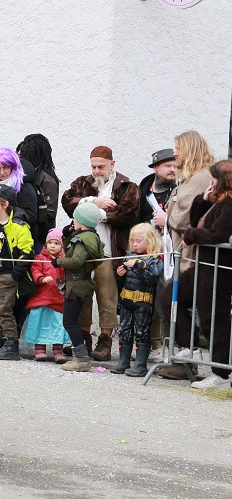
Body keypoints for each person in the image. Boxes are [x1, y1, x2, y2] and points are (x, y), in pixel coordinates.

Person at [61, 146, 140, 362]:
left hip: (109, 252)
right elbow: (67, 203)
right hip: (84, 252)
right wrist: (92, 202)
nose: (96, 170)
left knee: (107, 296)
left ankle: (105, 340)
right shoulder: (82, 183)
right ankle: (84, 337)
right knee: (82, 295)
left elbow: (127, 213)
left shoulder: (127, 186)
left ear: (112, 164)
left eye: (101, 166)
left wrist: (94, 214)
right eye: (94, 166)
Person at [160, 160, 232, 389]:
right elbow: (195, 221)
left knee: (214, 318)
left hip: (217, 269)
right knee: (169, 297)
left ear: (222, 180)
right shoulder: (216, 200)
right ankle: (190, 347)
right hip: (201, 266)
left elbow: (217, 234)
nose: (210, 182)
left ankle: (221, 374)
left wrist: (192, 236)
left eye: (213, 178)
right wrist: (203, 199)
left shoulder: (230, 203)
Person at [154, 131, 215, 378]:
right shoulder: (188, 178)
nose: (175, 153)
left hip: (194, 257)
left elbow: (193, 215)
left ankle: (190, 357)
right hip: (181, 255)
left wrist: (167, 218)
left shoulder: (202, 178)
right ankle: (186, 358)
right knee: (173, 302)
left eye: (178, 148)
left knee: (173, 301)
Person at [0, 184, 35, 361]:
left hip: (7, 274)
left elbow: (27, 252)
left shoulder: (19, 226)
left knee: (4, 309)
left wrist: (15, 275)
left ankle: (11, 343)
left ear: (4, 204)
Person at [54, 202, 106, 372]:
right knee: (72, 321)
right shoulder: (87, 236)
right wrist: (67, 234)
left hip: (77, 285)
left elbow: (76, 261)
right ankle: (80, 356)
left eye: (74, 219)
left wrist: (58, 261)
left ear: (81, 220)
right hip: (79, 284)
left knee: (69, 321)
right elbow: (72, 249)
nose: (72, 221)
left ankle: (82, 358)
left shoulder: (84, 239)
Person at [112, 224, 163, 376]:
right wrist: (119, 275)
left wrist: (140, 265)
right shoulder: (129, 255)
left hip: (143, 302)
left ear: (150, 241)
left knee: (142, 332)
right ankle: (123, 361)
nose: (134, 244)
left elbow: (152, 278)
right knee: (125, 331)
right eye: (133, 241)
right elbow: (123, 281)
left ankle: (140, 364)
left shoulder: (155, 259)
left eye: (139, 241)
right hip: (127, 301)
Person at [22, 228, 71, 363]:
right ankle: (39, 350)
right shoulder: (40, 258)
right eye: (50, 243)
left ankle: (57, 351)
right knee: (40, 323)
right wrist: (41, 278)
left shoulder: (64, 260)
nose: (52, 246)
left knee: (58, 325)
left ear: (62, 245)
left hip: (58, 299)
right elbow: (35, 269)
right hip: (42, 298)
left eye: (56, 243)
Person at [0, 147, 39, 229]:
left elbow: (30, 217)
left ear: (13, 168)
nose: (2, 172)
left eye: (5, 167)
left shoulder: (24, 186)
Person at [16, 134, 60, 247]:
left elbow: (48, 215)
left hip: (39, 239)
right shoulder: (28, 175)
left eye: (23, 154)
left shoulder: (47, 180)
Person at [138, 148, 177, 226]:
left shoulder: (180, 190)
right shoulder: (141, 190)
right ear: (155, 167)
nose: (172, 169)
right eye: (168, 166)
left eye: (175, 166)